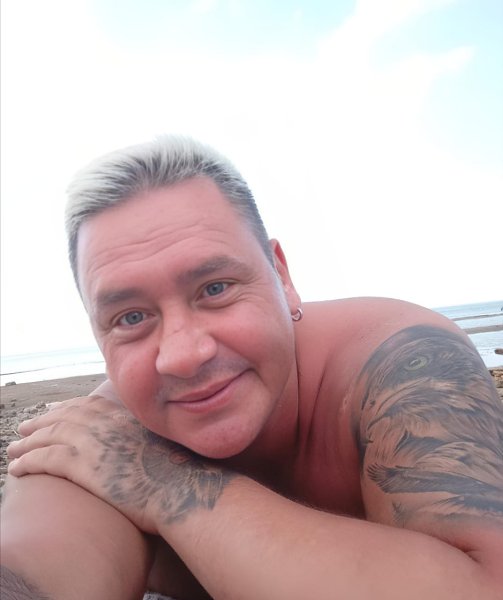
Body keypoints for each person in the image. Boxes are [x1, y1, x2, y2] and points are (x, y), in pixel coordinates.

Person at [2, 136, 502, 600]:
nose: (183, 355)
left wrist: (166, 483)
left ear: (281, 275)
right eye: (131, 318)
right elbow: (31, 569)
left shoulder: (403, 360)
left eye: (215, 288)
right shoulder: (102, 438)